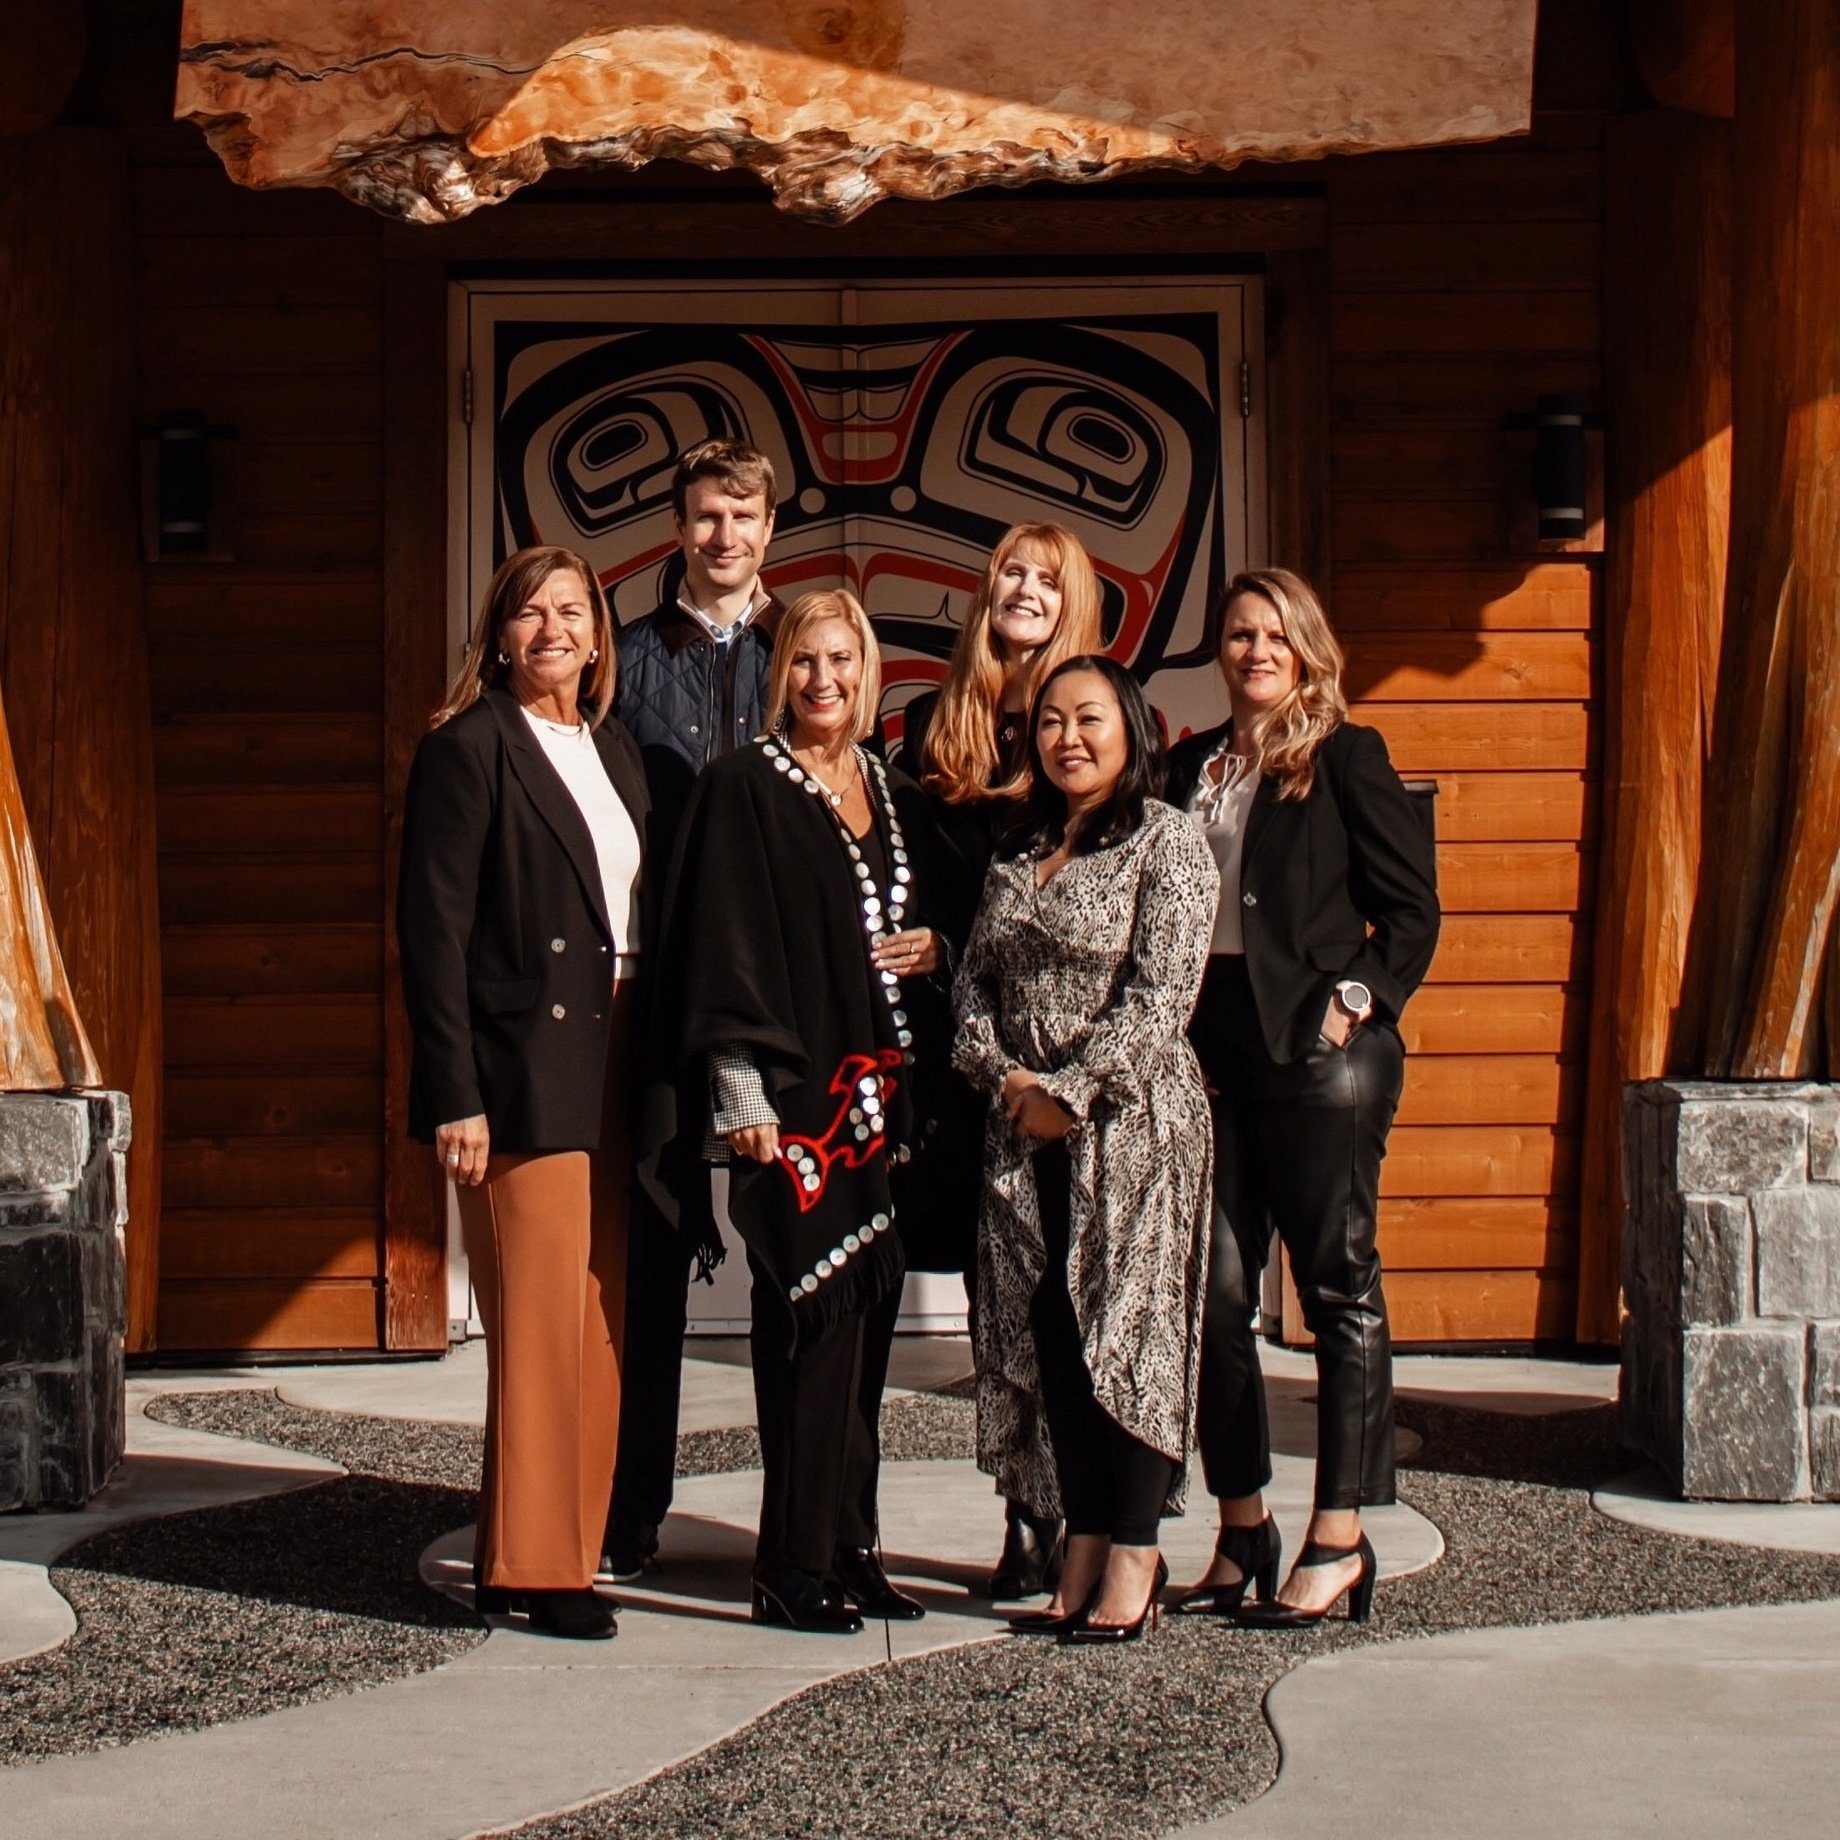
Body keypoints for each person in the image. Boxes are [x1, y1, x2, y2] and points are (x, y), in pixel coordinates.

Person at [646, 589, 945, 1633]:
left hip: (877, 1098)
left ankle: (850, 1545)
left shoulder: (889, 789)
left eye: (842, 661)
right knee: (807, 1323)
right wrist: (738, 1094)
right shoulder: (743, 787)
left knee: (867, 1325)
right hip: (790, 1103)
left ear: (869, 672)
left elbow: (926, 915)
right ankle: (789, 1562)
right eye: (806, 662)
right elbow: (719, 947)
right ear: (784, 675)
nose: (824, 680)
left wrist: (936, 949)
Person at [1164, 567, 1439, 1628]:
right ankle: (1242, 1530)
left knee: (1334, 1285)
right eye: (1238, 633)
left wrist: (1352, 1003)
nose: (1254, 650)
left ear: (1305, 645)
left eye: (1274, 633)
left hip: (1322, 1053)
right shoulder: (1193, 766)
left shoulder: (1343, 756)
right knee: (1216, 1297)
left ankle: (1340, 1534)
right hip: (1216, 1051)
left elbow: (1409, 912)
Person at [398, 544, 649, 1641]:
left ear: (599, 634)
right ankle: (537, 1570)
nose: (553, 627)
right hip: (517, 1069)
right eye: (530, 612)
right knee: (538, 1322)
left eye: (572, 611)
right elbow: (431, 932)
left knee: (596, 1321)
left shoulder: (616, 749)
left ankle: (555, 1547)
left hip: (619, 1051)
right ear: (499, 635)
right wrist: (455, 1090)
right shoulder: (466, 749)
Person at [953, 655, 1217, 1644]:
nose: (1069, 736)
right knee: (1057, 1334)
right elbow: (973, 981)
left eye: (1090, 718)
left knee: (1129, 1329)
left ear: (1132, 729)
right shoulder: (1020, 848)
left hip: (1132, 1125)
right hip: (1023, 1136)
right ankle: (1084, 1533)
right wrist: (1005, 1078)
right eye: (1052, 720)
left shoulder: (1168, 843)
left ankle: (1138, 1549)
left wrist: (1074, 1090)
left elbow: (1161, 996)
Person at [896, 522, 1104, 1600]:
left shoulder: (1101, 719)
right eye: (1008, 574)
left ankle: (1087, 1516)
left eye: (1044, 576)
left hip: (1069, 1057)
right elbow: (906, 875)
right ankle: (1023, 1514)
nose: (1023, 589)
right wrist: (932, 940)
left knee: (1073, 1291)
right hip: (965, 1050)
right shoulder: (936, 728)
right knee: (999, 1297)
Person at [606, 437, 784, 1582]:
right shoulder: (625, 659)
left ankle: (809, 1518)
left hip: (777, 994)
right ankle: (629, 1512)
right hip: (665, 985)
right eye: (706, 517)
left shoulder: (806, 648)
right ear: (681, 529)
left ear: (771, 526)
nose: (725, 536)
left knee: (792, 1255)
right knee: (656, 1259)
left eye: (744, 516)